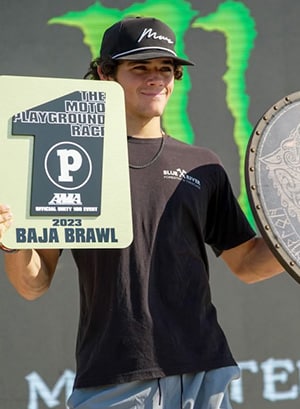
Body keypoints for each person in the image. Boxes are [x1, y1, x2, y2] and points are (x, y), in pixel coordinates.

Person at [0, 16, 284, 409]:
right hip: (114, 377)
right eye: (139, 68)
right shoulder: (70, 157)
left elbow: (247, 265)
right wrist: (11, 242)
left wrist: (295, 237)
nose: (156, 79)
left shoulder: (202, 165)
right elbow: (35, 282)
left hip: (204, 373)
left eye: (165, 68)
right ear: (104, 73)